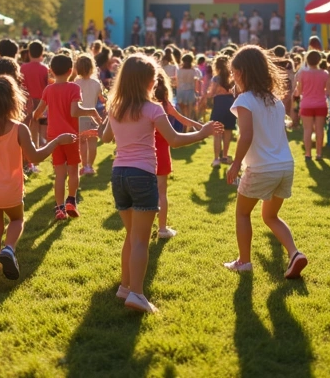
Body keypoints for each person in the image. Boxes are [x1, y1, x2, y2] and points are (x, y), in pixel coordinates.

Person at [100, 56, 218, 313]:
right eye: (154, 76)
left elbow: (105, 137)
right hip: (142, 175)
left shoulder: (116, 106)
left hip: (118, 174)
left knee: (131, 236)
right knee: (141, 239)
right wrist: (203, 133)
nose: (156, 80)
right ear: (147, 81)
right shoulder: (153, 109)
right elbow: (174, 140)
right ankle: (137, 294)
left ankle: (124, 286)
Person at [0, 76, 75, 292]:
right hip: (9, 188)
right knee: (17, 219)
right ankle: (10, 249)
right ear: (12, 101)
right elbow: (36, 157)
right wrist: (57, 141)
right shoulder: (19, 128)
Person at [223, 47, 308, 279]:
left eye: (233, 72)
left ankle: (244, 262)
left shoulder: (245, 100)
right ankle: (294, 254)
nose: (232, 77)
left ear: (242, 73)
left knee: (242, 213)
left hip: (261, 168)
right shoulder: (275, 101)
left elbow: (246, 135)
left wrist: (235, 163)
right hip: (285, 166)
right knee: (270, 216)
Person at [33, 54, 100, 219]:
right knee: (73, 171)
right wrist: (91, 111)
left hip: (54, 138)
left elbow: (36, 114)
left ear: (50, 71)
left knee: (60, 174)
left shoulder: (48, 90)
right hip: (70, 137)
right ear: (71, 71)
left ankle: (59, 208)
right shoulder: (73, 88)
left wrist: (40, 114)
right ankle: (71, 200)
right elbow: (74, 111)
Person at [151, 69, 203, 239]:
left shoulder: (145, 107)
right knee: (162, 193)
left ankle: (146, 225)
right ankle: (162, 228)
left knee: (147, 191)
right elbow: (182, 119)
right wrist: (199, 126)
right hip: (162, 153)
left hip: (145, 153)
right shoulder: (165, 106)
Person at [294, 50, 330, 159]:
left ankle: (308, 154)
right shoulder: (325, 73)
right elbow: (328, 90)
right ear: (319, 60)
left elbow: (299, 91)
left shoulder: (302, 73)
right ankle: (319, 153)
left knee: (307, 130)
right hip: (321, 104)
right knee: (320, 129)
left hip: (306, 104)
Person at [20, 41, 50, 174]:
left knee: (28, 132)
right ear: (42, 53)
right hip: (41, 102)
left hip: (27, 101)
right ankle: (36, 159)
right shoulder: (44, 69)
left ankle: (29, 161)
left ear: (28, 52)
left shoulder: (23, 68)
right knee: (39, 132)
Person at [73, 54, 105, 176]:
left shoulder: (76, 82)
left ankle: (83, 165)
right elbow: (102, 99)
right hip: (93, 116)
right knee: (93, 142)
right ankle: (90, 166)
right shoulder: (96, 83)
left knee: (82, 143)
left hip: (80, 117)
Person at [207, 55, 237, 167]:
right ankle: (225, 155)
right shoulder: (232, 78)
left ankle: (216, 159)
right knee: (228, 131)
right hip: (230, 104)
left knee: (217, 133)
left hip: (219, 104)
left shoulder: (216, 78)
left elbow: (211, 93)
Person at [175, 53, 200, 120]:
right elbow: (196, 82)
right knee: (190, 113)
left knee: (182, 113)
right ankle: (188, 127)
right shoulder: (194, 71)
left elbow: (177, 82)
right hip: (190, 92)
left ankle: (184, 127)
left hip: (180, 92)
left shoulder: (179, 70)